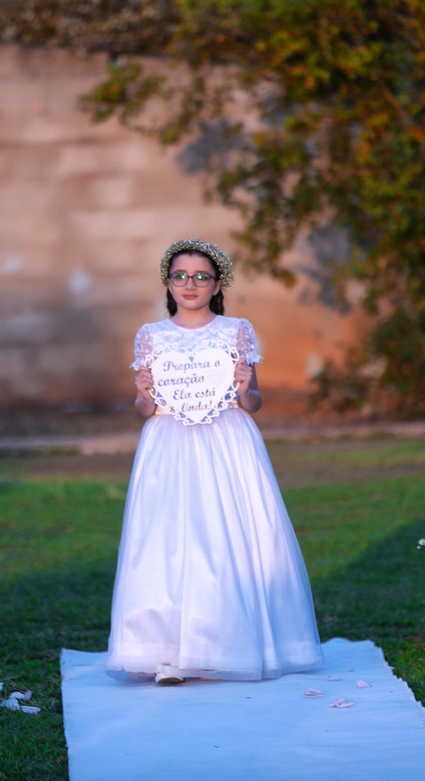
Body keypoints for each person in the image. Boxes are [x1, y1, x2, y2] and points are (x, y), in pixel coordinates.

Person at [105, 238, 325, 685]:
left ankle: (230, 642)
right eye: (180, 276)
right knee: (169, 537)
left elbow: (254, 402)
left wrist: (245, 388)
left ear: (217, 284)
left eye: (201, 276)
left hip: (227, 441)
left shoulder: (236, 330)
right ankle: (165, 652)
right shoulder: (151, 335)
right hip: (168, 445)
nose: (190, 284)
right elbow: (145, 409)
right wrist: (143, 395)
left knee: (229, 534)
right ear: (168, 282)